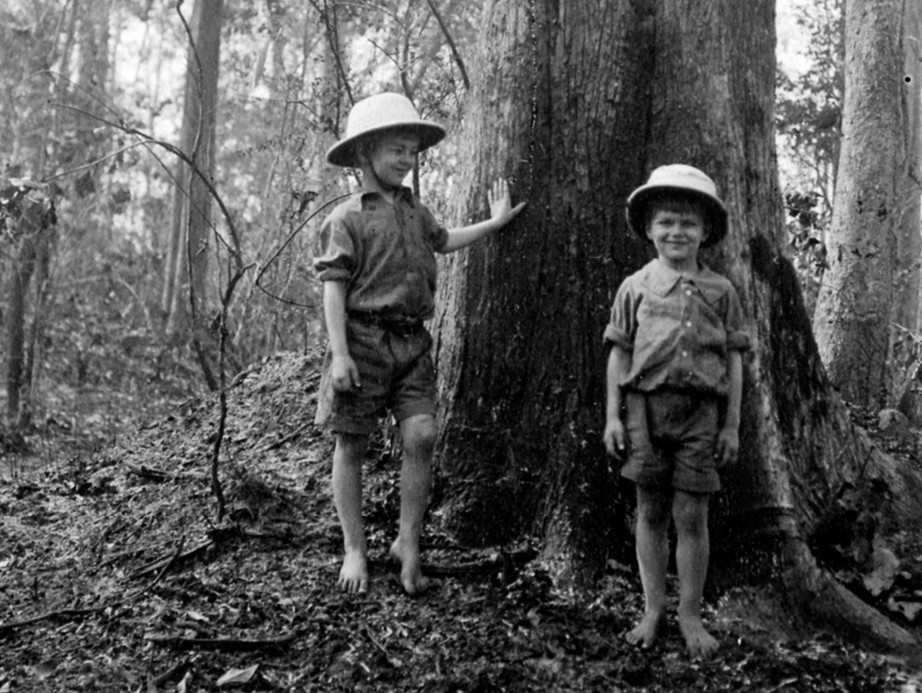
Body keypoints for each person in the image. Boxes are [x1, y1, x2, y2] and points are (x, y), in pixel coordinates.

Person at [314, 92, 525, 596]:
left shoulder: (414, 209)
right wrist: (340, 354)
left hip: (412, 344)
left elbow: (444, 239)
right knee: (352, 444)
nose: (407, 161)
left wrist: (494, 224)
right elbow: (333, 290)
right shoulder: (346, 219)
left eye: (412, 152)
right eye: (396, 151)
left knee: (423, 435)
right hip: (362, 342)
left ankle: (408, 542)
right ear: (365, 155)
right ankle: (354, 547)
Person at [602, 164, 750, 658]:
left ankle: (690, 614)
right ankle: (653, 609)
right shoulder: (636, 285)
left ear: (706, 230)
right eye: (666, 221)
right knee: (650, 510)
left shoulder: (722, 291)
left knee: (691, 513)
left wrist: (730, 425)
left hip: (700, 417)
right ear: (649, 228)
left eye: (688, 222)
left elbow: (734, 359)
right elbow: (618, 353)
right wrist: (613, 417)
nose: (676, 231)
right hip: (645, 411)